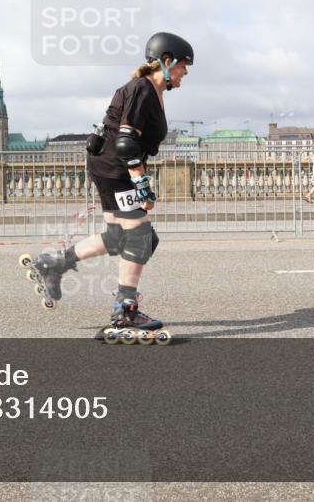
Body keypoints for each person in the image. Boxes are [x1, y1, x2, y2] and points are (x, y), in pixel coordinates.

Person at [20, 31, 193, 343]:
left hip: (107, 166)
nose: (185, 72)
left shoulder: (145, 89)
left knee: (117, 236)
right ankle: (126, 310)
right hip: (118, 168)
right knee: (140, 237)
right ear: (166, 62)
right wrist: (142, 183)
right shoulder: (143, 88)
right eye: (183, 66)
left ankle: (53, 264)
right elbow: (127, 142)